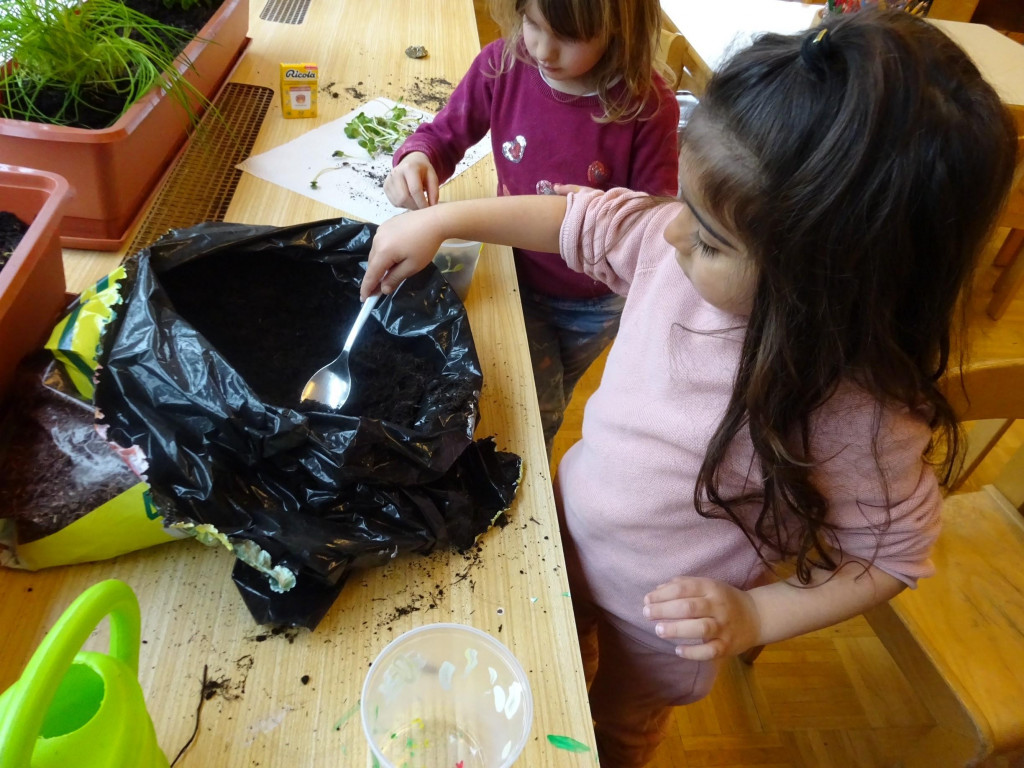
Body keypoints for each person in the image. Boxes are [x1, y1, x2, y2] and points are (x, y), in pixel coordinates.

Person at [363, 9, 1017, 767]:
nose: (669, 232)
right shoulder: (671, 243)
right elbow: (579, 217)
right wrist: (445, 221)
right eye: (685, 206)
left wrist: (756, 615)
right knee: (552, 670)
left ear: (829, 283)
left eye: (708, 236)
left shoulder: (857, 410)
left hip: (661, 629)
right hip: (565, 536)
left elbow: (891, 559)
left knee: (615, 731)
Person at [384, 0, 680, 454]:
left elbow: (650, 227)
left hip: (593, 302)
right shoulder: (502, 65)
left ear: (619, 29)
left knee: (554, 390)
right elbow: (443, 135)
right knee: (534, 405)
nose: (542, 50)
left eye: (568, 37)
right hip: (515, 273)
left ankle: (533, 455)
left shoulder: (647, 106)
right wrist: (418, 158)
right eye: (532, 24)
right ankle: (530, 454)